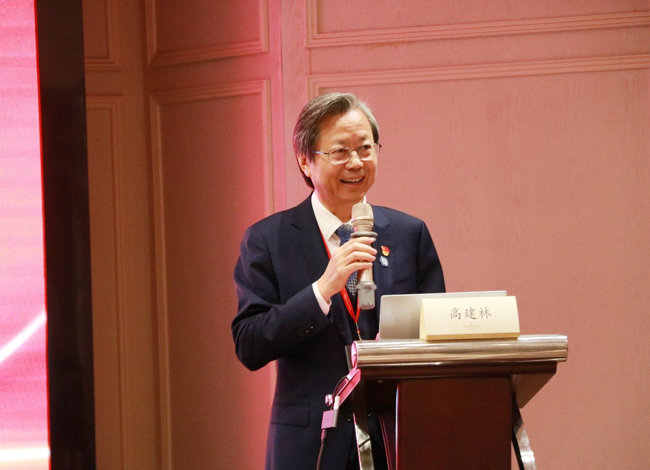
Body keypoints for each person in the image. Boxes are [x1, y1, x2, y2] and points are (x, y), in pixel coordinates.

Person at [232, 92, 445, 469]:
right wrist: (322, 290)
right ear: (305, 159)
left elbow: (437, 337)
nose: (356, 162)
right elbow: (250, 344)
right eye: (340, 152)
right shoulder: (269, 240)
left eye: (365, 148)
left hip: (395, 441)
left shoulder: (408, 234)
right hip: (309, 445)